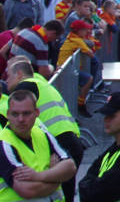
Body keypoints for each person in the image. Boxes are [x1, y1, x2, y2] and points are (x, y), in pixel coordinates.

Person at [6, 57, 84, 202]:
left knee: (61, 191)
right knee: (65, 192)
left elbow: (29, 188)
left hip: (59, 140)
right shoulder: (40, 82)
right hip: (72, 140)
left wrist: (45, 176)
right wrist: (56, 176)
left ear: (19, 74)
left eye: (9, 76)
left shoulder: (25, 87)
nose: (6, 80)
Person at [0, 89, 76, 201]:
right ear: (8, 114)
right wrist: (57, 177)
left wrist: (37, 176)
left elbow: (70, 166)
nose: (20, 119)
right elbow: (27, 190)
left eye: (26, 113)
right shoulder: (4, 143)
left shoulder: (41, 133)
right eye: (15, 114)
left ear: (37, 113)